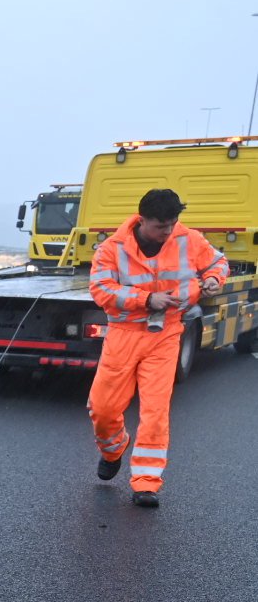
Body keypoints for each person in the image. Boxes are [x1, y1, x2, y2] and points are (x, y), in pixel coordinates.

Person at [87, 188, 227, 508]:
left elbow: (217, 263)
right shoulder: (112, 248)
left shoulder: (188, 239)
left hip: (165, 334)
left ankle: (146, 482)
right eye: (161, 226)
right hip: (123, 334)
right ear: (143, 220)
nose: (168, 232)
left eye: (173, 224)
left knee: (155, 410)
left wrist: (214, 280)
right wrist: (146, 299)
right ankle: (113, 450)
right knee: (103, 408)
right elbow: (101, 289)